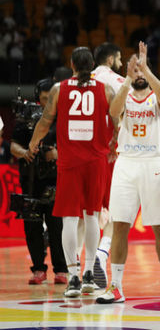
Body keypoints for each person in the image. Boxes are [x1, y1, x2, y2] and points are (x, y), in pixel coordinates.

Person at [28, 47, 115, 297]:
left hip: (70, 162)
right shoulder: (105, 89)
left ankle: (74, 277)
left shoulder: (59, 89)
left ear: (72, 65)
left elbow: (45, 121)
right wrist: (114, 143)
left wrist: (33, 143)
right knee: (91, 217)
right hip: (95, 161)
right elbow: (117, 119)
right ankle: (89, 273)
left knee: (68, 219)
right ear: (92, 65)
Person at [96, 44, 160, 304]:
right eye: (133, 67)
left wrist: (146, 68)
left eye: (141, 68)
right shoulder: (124, 92)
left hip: (152, 163)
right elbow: (113, 113)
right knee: (120, 226)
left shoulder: (157, 96)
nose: (138, 72)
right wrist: (129, 77)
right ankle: (115, 286)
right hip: (126, 163)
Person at [11, 78, 67, 285]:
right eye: (44, 99)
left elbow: (73, 145)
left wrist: (57, 153)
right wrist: (25, 153)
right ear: (38, 97)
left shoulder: (64, 114)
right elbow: (13, 146)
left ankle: (61, 269)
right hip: (30, 179)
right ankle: (38, 269)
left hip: (55, 179)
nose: (47, 103)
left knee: (56, 227)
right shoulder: (25, 115)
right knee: (32, 226)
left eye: (51, 99)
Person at [90, 42, 125, 289]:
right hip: (109, 153)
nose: (121, 64)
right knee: (115, 212)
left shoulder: (75, 82)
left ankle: (80, 269)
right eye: (120, 59)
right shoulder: (119, 81)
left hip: (81, 153)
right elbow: (124, 113)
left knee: (85, 215)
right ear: (111, 60)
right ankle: (101, 254)